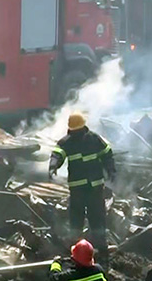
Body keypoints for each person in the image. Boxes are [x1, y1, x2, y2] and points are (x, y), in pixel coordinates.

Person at [49, 112, 116, 265]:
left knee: (94, 218)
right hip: (84, 188)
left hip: (90, 188)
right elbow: (56, 155)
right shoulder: (67, 142)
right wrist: (52, 167)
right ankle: (78, 251)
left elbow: (107, 154)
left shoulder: (93, 139)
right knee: (82, 218)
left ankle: (99, 250)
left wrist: (111, 169)